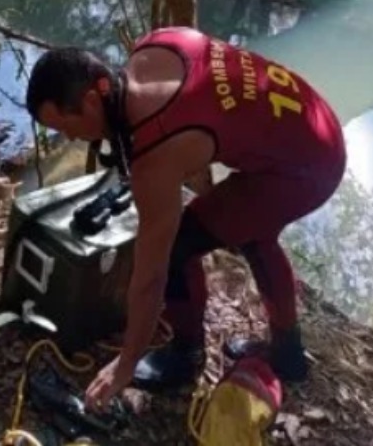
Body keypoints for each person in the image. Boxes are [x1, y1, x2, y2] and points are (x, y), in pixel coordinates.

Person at [23, 26, 345, 410]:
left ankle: (185, 356)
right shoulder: (160, 42)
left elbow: (151, 276)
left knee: (179, 246)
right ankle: (288, 351)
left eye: (64, 126)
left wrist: (125, 364)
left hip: (304, 171)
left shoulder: (156, 152)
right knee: (252, 233)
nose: (70, 138)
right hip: (317, 123)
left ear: (93, 99)